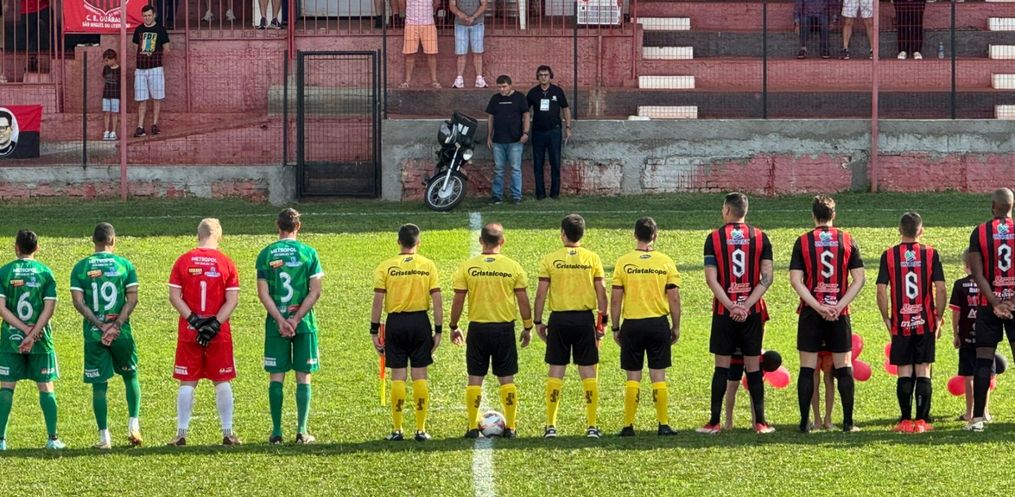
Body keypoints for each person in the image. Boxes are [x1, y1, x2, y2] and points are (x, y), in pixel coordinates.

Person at [698, 192, 775, 434]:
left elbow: (711, 279)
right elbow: (767, 277)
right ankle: (760, 423)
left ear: (727, 210)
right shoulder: (761, 237)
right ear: (745, 211)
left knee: (721, 367)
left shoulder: (714, 238)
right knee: (753, 367)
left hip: (724, 312)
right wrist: (747, 305)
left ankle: (714, 422)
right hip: (752, 313)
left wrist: (731, 306)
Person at [449, 223, 532, 439]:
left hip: (478, 329)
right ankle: (511, 427)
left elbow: (458, 301)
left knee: (475, 377)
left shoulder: (468, 267)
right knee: (507, 378)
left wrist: (453, 326)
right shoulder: (513, 267)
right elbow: (523, 300)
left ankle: (472, 427)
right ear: (502, 241)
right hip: (504, 329)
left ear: (480, 241)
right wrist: (528, 326)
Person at [791, 195, 865, 433]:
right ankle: (848, 423)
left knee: (807, 368)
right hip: (838, 313)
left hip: (811, 313)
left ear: (813, 215)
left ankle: (805, 423)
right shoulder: (847, 239)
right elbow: (859, 279)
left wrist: (817, 306)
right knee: (843, 367)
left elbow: (796, 280)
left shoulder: (803, 241)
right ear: (834, 215)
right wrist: (839, 305)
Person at [167, 218, 241, 446]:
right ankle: (228, 432)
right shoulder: (226, 262)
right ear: (219, 236)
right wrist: (214, 325)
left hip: (190, 331)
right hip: (219, 333)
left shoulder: (183, 260)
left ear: (198, 235)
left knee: (187, 382)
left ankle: (181, 433)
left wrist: (194, 321)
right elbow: (232, 300)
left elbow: (174, 296)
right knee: (222, 380)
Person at [533, 214, 608, 439]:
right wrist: (602, 324)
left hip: (559, 320)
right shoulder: (592, 258)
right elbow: (602, 294)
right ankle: (592, 426)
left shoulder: (550, 259)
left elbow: (540, 294)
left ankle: (550, 426)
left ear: (562, 234)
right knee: (588, 373)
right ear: (582, 234)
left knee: (556, 371)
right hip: (584, 320)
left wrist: (537, 322)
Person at [69, 223, 142, 449]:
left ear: (93, 240)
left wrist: (101, 325)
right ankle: (134, 426)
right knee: (130, 376)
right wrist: (116, 324)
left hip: (94, 334)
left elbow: (78, 302)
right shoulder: (124, 265)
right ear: (113, 240)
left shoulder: (81, 267)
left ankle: (104, 438)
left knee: (99, 385)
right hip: (122, 333)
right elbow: (132, 299)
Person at [256, 209, 324, 445]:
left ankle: (276, 432)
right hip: (304, 324)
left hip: (276, 324)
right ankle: (302, 431)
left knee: (277, 375)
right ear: (299, 227)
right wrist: (295, 319)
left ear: (278, 226)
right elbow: (315, 292)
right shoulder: (309, 253)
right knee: (303, 376)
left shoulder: (266, 253)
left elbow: (263, 293)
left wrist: (280, 319)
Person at [370, 223, 442, 442]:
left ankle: (397, 429)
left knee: (398, 376)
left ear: (398, 242)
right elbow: (437, 300)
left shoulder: (386, 267)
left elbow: (378, 300)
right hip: (420, 322)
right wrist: (438, 330)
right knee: (420, 375)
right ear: (418, 242)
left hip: (396, 323)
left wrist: (374, 329)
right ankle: (420, 430)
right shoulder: (427, 265)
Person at [876, 212, 946, 433]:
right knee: (923, 369)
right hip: (925, 321)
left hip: (901, 322)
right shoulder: (931, 253)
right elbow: (941, 288)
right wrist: (939, 316)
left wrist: (886, 317)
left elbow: (881, 289)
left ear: (900, 230)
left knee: (904, 370)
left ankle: (905, 421)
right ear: (921, 231)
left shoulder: (889, 255)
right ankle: (922, 421)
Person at [611, 217, 681, 437]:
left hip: (632, 325)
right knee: (658, 376)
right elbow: (674, 298)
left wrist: (615, 327)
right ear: (655, 236)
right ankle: (663, 424)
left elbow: (615, 299)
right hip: (658, 324)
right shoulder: (665, 262)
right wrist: (676, 326)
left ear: (635, 235)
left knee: (633, 377)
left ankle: (628, 425)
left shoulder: (624, 262)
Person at [0, 230, 63, 450]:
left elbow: (1, 308)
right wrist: (33, 333)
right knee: (45, 386)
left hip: (11, 339)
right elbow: (49, 308)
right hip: (41, 340)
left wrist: (23, 330)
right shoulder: (45, 272)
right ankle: (53, 439)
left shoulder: (5, 272)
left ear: (16, 247)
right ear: (37, 248)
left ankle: (1, 440)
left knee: (6, 386)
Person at [965, 188, 1015, 432]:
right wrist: (1011, 301)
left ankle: (977, 419)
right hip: (1014, 306)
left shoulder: (980, 232)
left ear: (993, 206)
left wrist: (995, 302)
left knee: (983, 360)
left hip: (987, 305)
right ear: (1012, 206)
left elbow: (977, 273)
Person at [951, 249, 992, 423]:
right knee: (986, 371)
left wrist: (956, 334)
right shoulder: (988, 283)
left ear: (966, 265)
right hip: (987, 334)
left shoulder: (960, 285)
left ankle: (970, 412)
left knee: (969, 375)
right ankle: (985, 412)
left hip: (967, 335)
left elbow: (956, 313)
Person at [526, 65, 571, 200]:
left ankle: (554, 193)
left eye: (546, 75)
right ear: (537, 77)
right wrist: (524, 129)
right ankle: (540, 193)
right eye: (540, 75)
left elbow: (566, 109)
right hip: (538, 132)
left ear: (550, 76)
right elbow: (525, 111)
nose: (543, 77)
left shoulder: (557, 91)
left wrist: (568, 127)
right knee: (538, 163)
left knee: (555, 162)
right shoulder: (533, 93)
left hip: (554, 132)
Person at [485, 75, 530, 205]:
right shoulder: (495, 98)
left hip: (515, 140)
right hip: (498, 140)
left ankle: (516, 196)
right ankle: (496, 196)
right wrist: (489, 136)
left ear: (510, 85)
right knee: (498, 169)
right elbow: (490, 117)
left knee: (515, 169)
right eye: (499, 87)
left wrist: (526, 132)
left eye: (504, 87)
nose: (502, 89)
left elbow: (526, 115)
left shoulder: (520, 97)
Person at [132, 5, 170, 138]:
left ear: (154, 15)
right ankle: (140, 126)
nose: (147, 18)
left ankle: (154, 124)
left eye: (149, 15)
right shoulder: (138, 29)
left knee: (157, 98)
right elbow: (135, 47)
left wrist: (156, 57)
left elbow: (167, 48)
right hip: (141, 68)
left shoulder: (160, 29)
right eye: (145, 16)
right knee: (141, 99)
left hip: (156, 68)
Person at [401, 0, 440, 88]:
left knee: (432, 53)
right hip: (411, 23)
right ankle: (407, 81)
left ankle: (434, 80)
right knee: (409, 54)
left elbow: (437, 2)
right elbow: (402, 3)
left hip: (427, 23)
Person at [449, 0, 487, 89]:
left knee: (478, 52)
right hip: (460, 24)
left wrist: (473, 17)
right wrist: (460, 14)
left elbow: (484, 4)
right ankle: (459, 79)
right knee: (461, 53)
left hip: (477, 23)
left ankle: (479, 79)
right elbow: (452, 5)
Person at [810, 349, 836, 430]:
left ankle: (818, 420)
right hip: (828, 346)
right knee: (828, 378)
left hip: (815, 346)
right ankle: (826, 420)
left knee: (817, 379)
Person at [101, 49, 120, 141]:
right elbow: (104, 76)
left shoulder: (119, 69)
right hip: (106, 93)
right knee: (106, 112)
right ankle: (106, 131)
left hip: (115, 94)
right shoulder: (106, 68)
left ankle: (113, 131)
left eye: (107, 60)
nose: (106, 62)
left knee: (114, 113)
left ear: (113, 59)